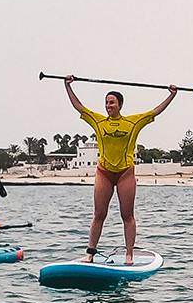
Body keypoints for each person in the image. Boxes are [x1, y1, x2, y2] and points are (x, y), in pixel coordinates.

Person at [64, 76, 177, 263]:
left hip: (125, 173)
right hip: (104, 173)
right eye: (106, 102)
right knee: (99, 214)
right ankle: (90, 254)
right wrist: (67, 86)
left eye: (112, 102)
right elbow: (79, 106)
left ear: (120, 105)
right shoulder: (98, 121)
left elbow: (156, 111)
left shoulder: (133, 122)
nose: (108, 106)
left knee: (127, 215)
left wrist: (171, 95)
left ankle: (129, 254)